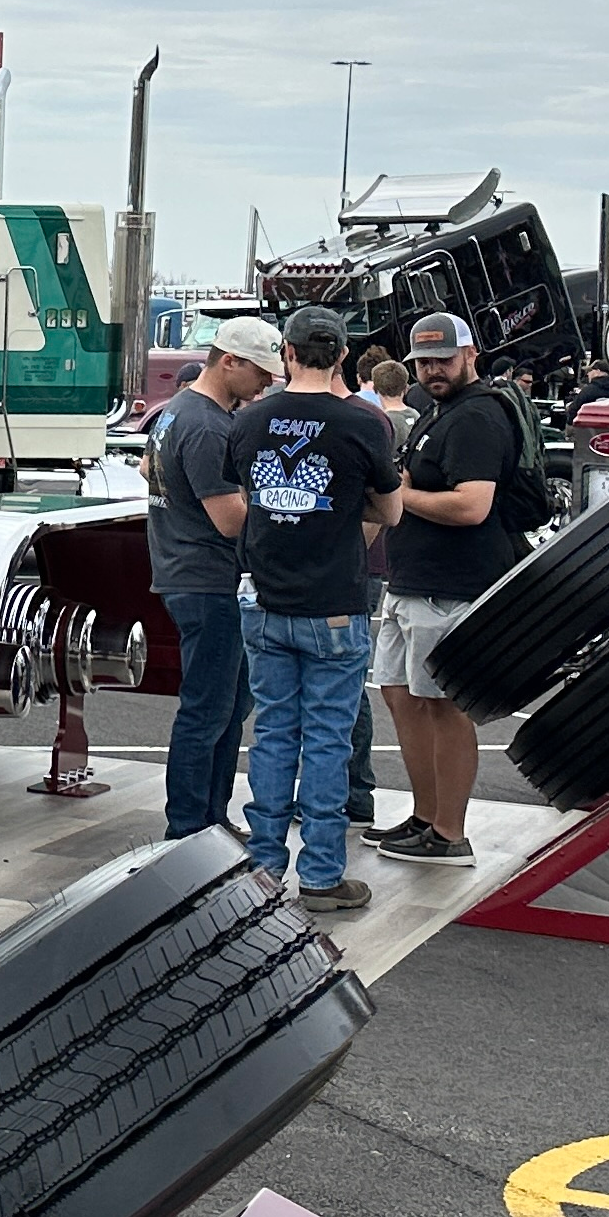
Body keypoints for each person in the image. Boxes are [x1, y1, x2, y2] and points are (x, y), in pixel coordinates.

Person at [206, 305, 402, 915]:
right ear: (342, 355)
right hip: (334, 604)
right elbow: (391, 512)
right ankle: (321, 874)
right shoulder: (365, 424)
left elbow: (240, 495)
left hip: (265, 598)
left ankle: (264, 865)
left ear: (286, 353)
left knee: (272, 734)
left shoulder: (250, 420)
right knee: (326, 739)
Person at [372, 311, 525, 866]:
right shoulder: (443, 412)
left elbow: (472, 505)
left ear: (470, 355)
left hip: (452, 587)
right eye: (424, 362)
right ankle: (425, 816)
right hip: (416, 583)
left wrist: (399, 495)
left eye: (443, 358)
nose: (433, 370)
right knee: (402, 695)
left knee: (444, 706)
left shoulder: (478, 416)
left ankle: (449, 832)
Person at [149, 316, 284, 840]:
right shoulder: (208, 426)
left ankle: (206, 820)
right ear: (229, 361)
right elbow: (231, 519)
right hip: (208, 578)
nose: (267, 384)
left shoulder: (177, 411)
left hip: (184, 570)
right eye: (260, 373)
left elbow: (148, 473)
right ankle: (189, 828)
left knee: (221, 708)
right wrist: (284, 504)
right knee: (210, 711)